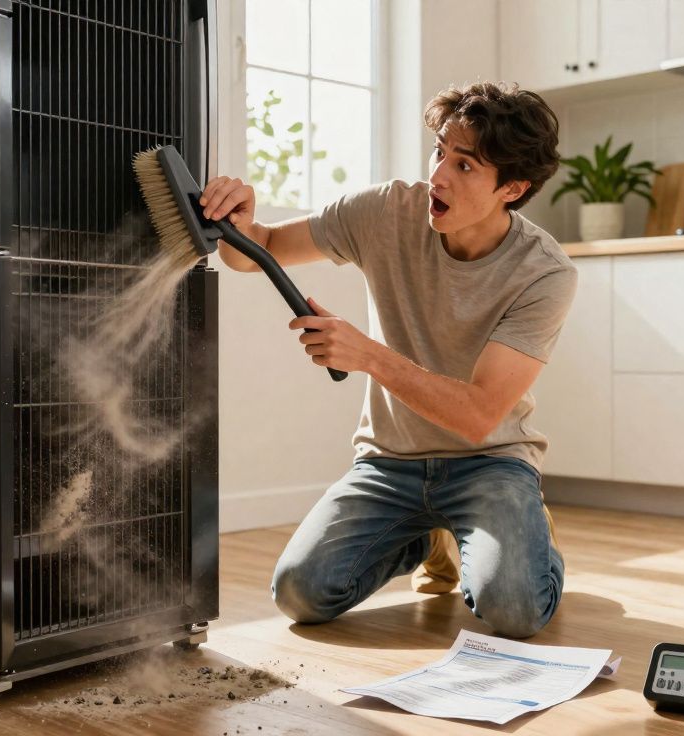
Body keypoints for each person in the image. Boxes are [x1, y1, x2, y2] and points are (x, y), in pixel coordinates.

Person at [198, 81, 575, 638]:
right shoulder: (385, 211)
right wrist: (240, 223)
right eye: (440, 150)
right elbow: (262, 252)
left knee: (513, 610)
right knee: (299, 594)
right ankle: (424, 535)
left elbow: (477, 417)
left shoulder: (544, 273)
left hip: (490, 464)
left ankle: (526, 531)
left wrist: (369, 355)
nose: (439, 175)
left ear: (513, 188)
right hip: (389, 463)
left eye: (465, 166)